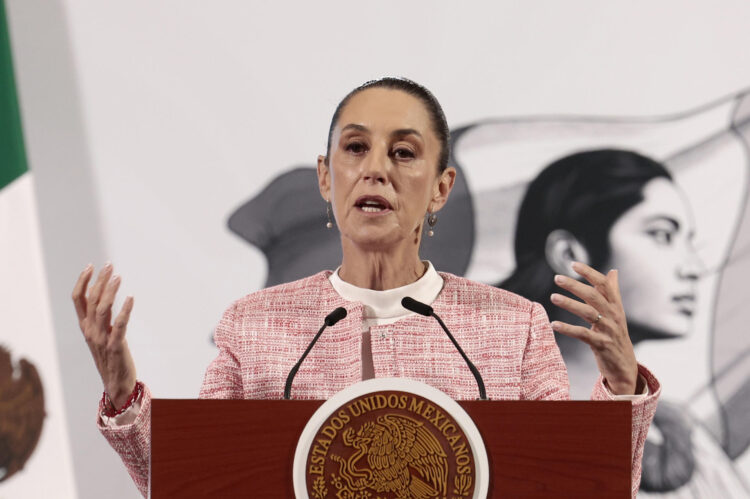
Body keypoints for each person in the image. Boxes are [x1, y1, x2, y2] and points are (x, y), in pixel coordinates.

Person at [71, 78, 659, 498]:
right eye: (355, 148)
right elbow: (187, 483)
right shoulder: (254, 327)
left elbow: (582, 484)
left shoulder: (511, 327)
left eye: (403, 153)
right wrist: (123, 392)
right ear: (327, 177)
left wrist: (619, 388)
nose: (375, 168)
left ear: (441, 188)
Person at [499, 149, 748, 497]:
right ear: (571, 256)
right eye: (662, 235)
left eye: (688, 241)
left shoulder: (680, 437)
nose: (693, 267)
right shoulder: (490, 423)